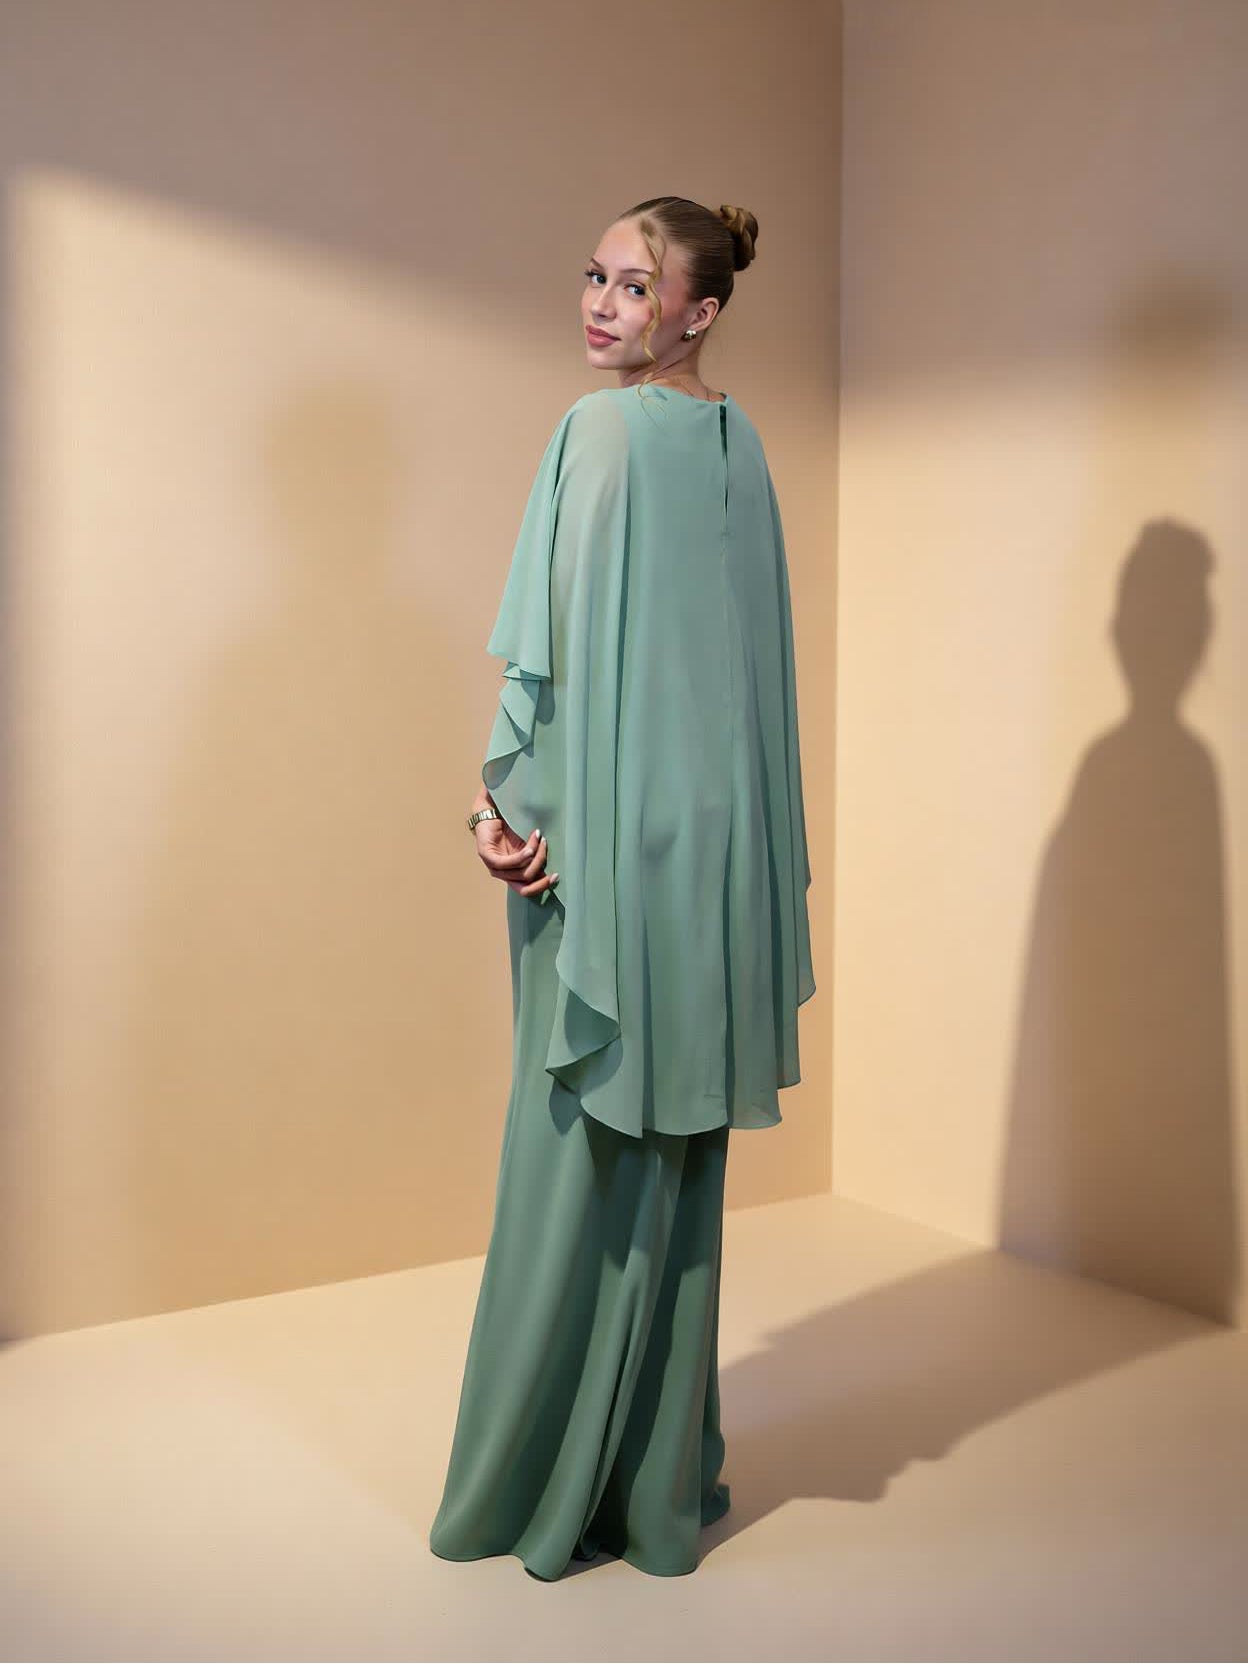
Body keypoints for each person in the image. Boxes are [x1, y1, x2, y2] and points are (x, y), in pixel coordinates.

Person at [428, 196, 815, 1581]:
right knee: (671, 1167)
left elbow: (559, 654)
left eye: (635, 287)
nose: (600, 304)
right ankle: (651, 1490)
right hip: (709, 864)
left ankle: (528, 1491)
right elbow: (750, 689)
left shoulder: (597, 433)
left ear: (698, 312)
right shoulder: (741, 443)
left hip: (594, 861)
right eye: (594, 276)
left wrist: (501, 813)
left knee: (573, 1161)